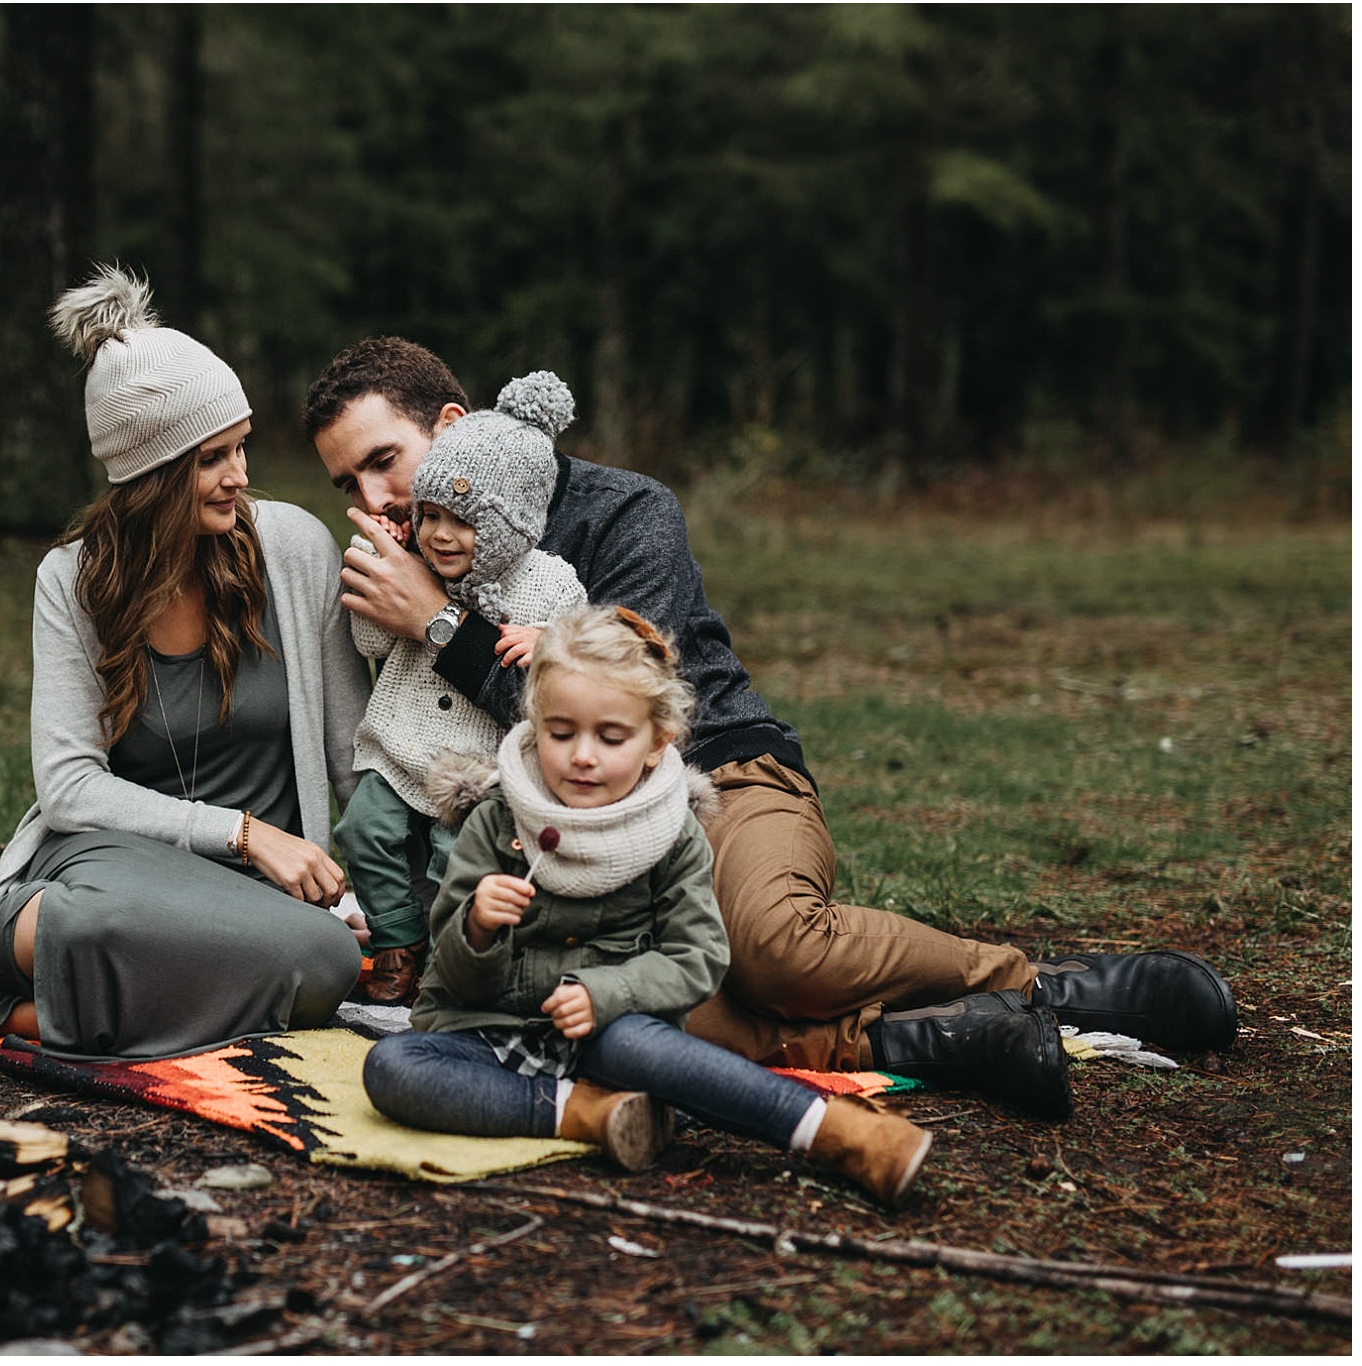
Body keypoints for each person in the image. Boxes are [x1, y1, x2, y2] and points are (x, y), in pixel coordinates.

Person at [305, 337, 1237, 1119]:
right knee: (622, 1019)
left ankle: (1043, 985)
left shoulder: (622, 510)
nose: (375, 498)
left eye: (385, 460)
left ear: (453, 428)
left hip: (720, 777)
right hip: (574, 851)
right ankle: (939, 1038)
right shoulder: (391, 573)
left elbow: (631, 718)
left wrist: (441, 623)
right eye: (349, 480)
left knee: (771, 948)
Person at [0, 267, 370, 1061]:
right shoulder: (72, 581)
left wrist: (376, 891)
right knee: (106, 918)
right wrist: (243, 832)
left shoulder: (295, 549)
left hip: (253, 903)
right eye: (211, 459)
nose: (239, 475)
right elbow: (69, 786)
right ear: (150, 476)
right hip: (118, 871)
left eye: (241, 447)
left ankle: (9, 1010)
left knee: (327, 958)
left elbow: (351, 756)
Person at [364, 606, 932, 1206]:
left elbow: (698, 958)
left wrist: (606, 995)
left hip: (612, 1039)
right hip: (488, 1038)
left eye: (611, 738)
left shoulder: (672, 832)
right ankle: (593, 1116)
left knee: (647, 1048)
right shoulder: (496, 819)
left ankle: (838, 1132)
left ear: (658, 742)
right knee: (394, 1067)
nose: (583, 755)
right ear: (533, 724)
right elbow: (449, 982)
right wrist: (477, 926)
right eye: (560, 733)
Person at [335, 370, 586, 1006]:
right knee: (362, 828)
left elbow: (590, 662)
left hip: (475, 767)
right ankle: (397, 940)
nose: (440, 536)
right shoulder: (417, 563)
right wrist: (384, 581)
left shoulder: (550, 584)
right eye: (430, 516)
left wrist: (550, 647)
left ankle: (452, 961)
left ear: (510, 523)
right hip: (397, 747)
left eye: (463, 522)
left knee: (460, 862)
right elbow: (370, 647)